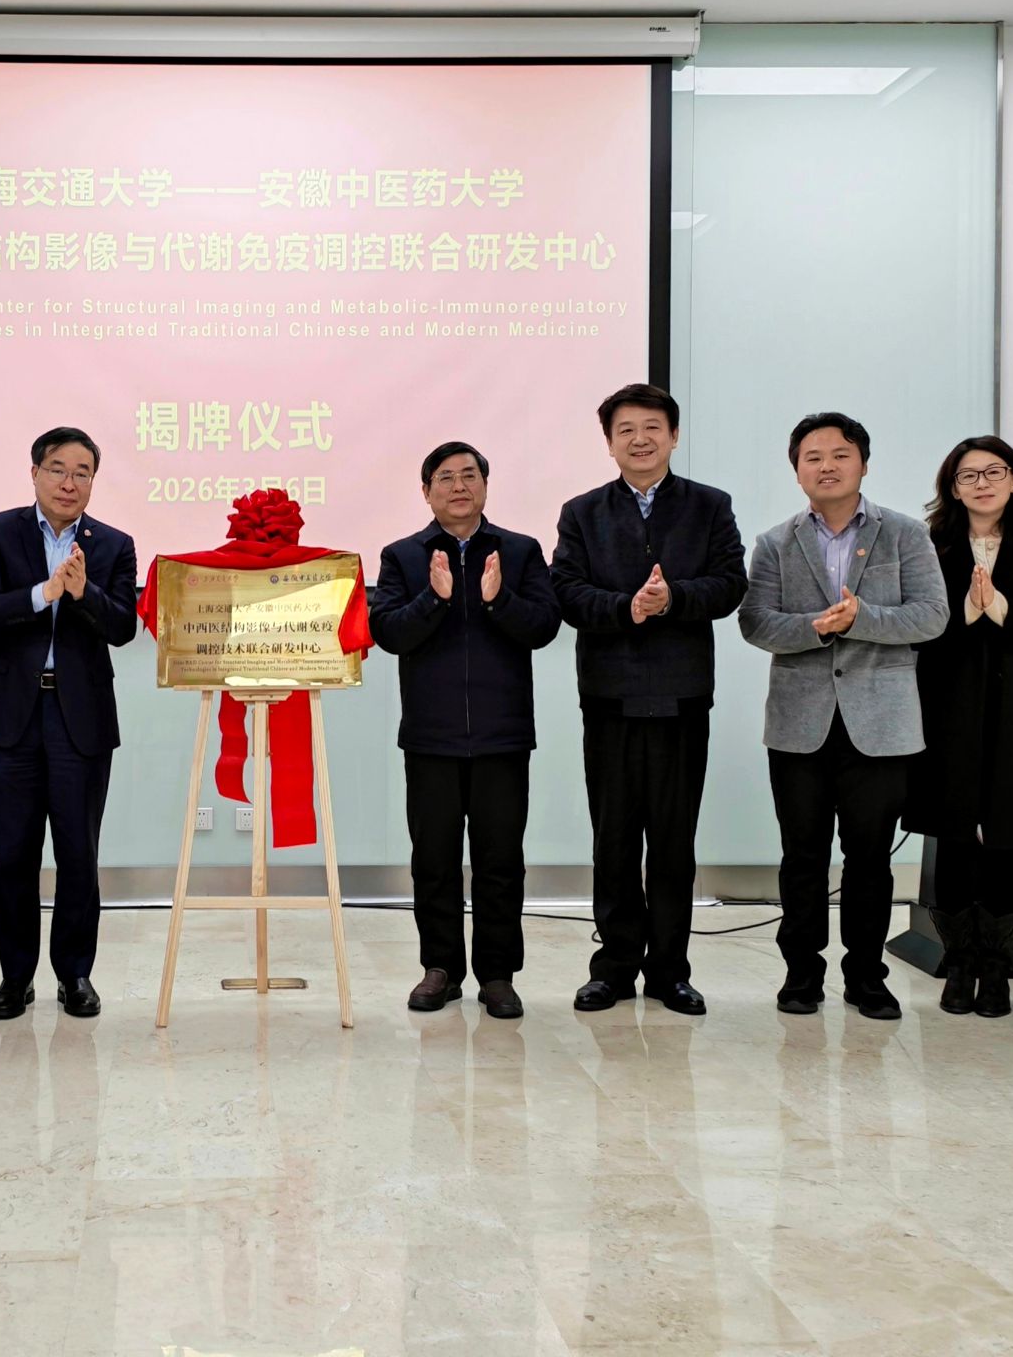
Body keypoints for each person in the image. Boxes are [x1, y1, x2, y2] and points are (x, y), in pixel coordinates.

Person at [739, 412, 948, 1020]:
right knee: (802, 857)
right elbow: (755, 622)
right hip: (798, 727)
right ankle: (801, 974)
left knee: (870, 858)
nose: (826, 466)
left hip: (880, 726)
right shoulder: (774, 543)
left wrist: (862, 619)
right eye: (813, 457)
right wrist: (817, 627)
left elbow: (932, 615)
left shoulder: (904, 534)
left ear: (863, 463)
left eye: (839, 454)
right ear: (797, 470)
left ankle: (866, 976)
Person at [551, 383, 746, 1016]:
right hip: (609, 698)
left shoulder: (710, 506)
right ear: (609, 443)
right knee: (612, 841)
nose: (640, 439)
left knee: (672, 841)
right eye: (626, 430)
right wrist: (627, 608)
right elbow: (566, 591)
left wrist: (673, 599)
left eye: (652, 427)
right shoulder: (582, 512)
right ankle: (612, 969)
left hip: (682, 697)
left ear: (674, 435)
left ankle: (669, 971)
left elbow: (730, 584)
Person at [369, 441, 561, 1020]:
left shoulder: (519, 551)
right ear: (426, 491)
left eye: (469, 475)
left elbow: (544, 627)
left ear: (485, 485)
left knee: (501, 860)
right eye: (446, 478)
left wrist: (499, 600)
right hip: (431, 736)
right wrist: (435, 599)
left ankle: (498, 975)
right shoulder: (403, 556)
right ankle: (440, 968)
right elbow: (388, 632)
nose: (459, 486)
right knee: (434, 859)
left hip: (503, 735)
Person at [0, 426, 137, 1020]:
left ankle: (75, 974)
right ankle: (15, 978)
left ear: (93, 481)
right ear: (34, 472)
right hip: (8, 720)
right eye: (58, 469)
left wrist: (84, 593)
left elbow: (123, 627)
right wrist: (44, 592)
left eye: (82, 472)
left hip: (79, 721)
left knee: (78, 855)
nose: (69, 482)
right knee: (13, 855)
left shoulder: (113, 544)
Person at [903, 437, 1013, 1018]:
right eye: (968, 475)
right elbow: (916, 630)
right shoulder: (931, 547)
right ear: (952, 487)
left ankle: (996, 971)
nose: (981, 483)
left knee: (1005, 840)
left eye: (993, 472)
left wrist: (999, 606)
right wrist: (968, 612)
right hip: (947, 713)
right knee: (952, 839)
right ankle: (958, 966)